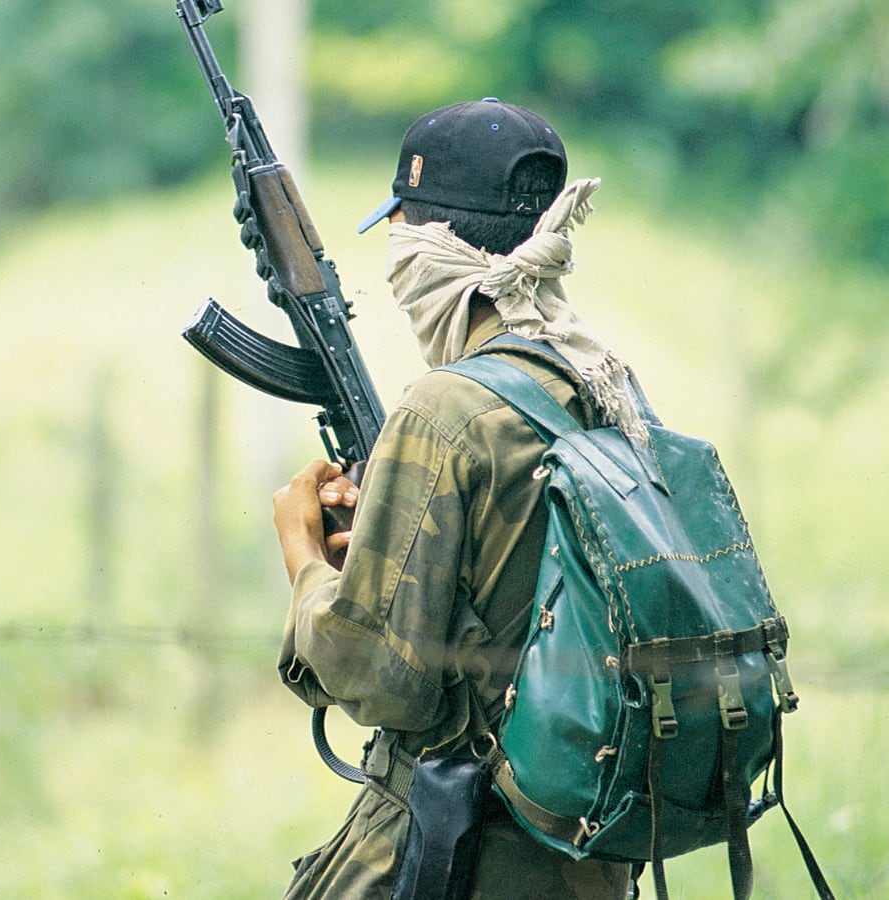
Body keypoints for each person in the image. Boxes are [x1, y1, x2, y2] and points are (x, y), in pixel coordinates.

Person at [270, 98, 644, 899]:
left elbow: (377, 675)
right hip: (587, 859)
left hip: (464, 844)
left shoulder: (445, 411)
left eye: (401, 232)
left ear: (429, 247)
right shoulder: (600, 380)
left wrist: (304, 554)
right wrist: (383, 542)